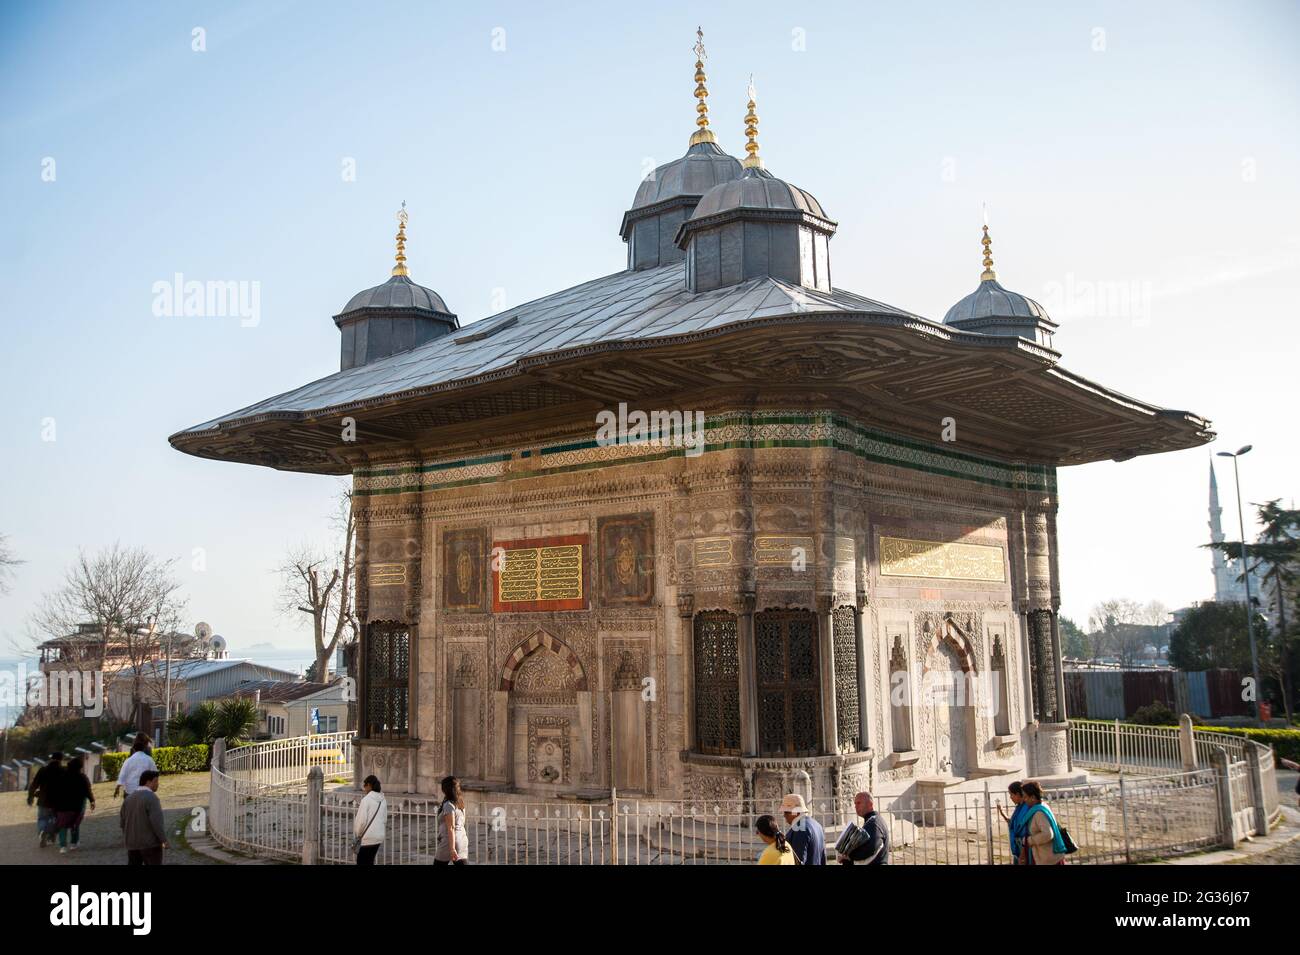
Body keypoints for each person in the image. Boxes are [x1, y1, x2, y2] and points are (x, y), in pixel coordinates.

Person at [120, 769, 167, 865]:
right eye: (156, 781)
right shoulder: (152, 798)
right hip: (150, 844)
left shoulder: (128, 799)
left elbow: (122, 822)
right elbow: (156, 822)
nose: (158, 784)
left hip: (132, 844)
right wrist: (164, 839)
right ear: (148, 782)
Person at [54, 756, 96, 854]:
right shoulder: (82, 777)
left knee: (62, 826)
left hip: (62, 806)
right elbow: (87, 791)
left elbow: (56, 791)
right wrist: (92, 801)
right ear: (79, 767)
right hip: (77, 806)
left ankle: (63, 846)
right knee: (75, 824)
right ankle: (74, 843)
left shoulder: (61, 776)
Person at [1019, 781, 1066, 866]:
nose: (1024, 800)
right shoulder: (1042, 806)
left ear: (1033, 797)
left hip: (1048, 858)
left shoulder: (1039, 813)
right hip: (1047, 856)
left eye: (1025, 797)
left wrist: (1029, 840)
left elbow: (1048, 834)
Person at [838, 791, 889, 865]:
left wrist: (848, 856)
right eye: (855, 804)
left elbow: (869, 850)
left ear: (870, 804)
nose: (855, 806)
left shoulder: (874, 823)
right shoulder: (872, 821)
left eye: (859, 803)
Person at [27, 751, 65, 847]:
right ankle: (51, 835)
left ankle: (43, 831)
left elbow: (34, 784)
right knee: (56, 819)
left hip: (43, 800)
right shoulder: (64, 771)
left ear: (51, 758)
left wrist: (30, 796)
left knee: (42, 819)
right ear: (61, 760)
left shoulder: (43, 770)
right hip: (58, 802)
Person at [780, 793, 826, 865]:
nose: (784, 815)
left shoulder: (800, 829)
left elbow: (797, 861)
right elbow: (822, 857)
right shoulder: (817, 824)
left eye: (786, 812)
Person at [434, 775, 469, 865]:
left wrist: (452, 849)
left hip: (449, 842)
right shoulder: (460, 803)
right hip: (462, 840)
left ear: (445, 790)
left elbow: (451, 828)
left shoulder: (448, 805)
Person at [353, 774, 386, 865]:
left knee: (362, 861)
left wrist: (358, 834)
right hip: (378, 836)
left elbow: (361, 821)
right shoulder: (383, 799)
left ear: (369, 785)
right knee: (370, 861)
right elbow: (384, 819)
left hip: (367, 838)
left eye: (365, 786)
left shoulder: (366, 800)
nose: (364, 789)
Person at [113, 734, 158, 801]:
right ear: (145, 746)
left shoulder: (128, 761)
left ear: (134, 748)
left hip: (130, 792)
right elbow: (155, 774)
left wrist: (117, 788)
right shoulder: (149, 759)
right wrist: (154, 786)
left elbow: (122, 775)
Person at [997, 780, 1029, 864]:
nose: (1010, 797)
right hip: (1018, 848)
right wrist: (1003, 813)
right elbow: (1013, 825)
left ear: (1018, 794)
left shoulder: (1026, 808)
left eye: (1011, 794)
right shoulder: (1019, 807)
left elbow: (1024, 829)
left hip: (1025, 848)